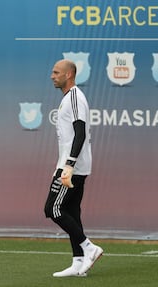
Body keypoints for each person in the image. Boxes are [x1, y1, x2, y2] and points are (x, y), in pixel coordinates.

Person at [44, 59, 103, 277]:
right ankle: (78, 262)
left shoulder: (76, 97)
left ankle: (89, 248)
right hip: (72, 165)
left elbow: (81, 133)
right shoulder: (68, 98)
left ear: (69, 74)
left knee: (53, 209)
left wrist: (69, 165)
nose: (52, 75)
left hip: (72, 167)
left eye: (56, 72)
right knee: (71, 211)